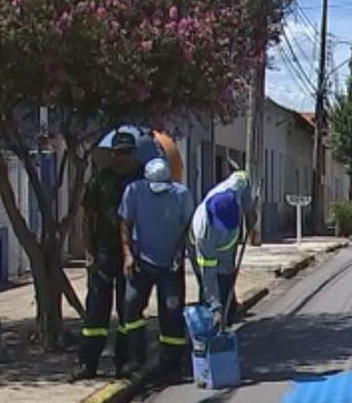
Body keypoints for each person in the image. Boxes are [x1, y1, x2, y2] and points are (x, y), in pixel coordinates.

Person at [119, 156, 196, 379]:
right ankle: (135, 357)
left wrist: (179, 252)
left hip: (170, 265)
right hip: (141, 262)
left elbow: (187, 227)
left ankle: (172, 363)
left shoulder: (181, 195)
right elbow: (125, 223)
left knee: (171, 312)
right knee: (131, 305)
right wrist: (127, 255)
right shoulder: (134, 191)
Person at [74, 131, 142, 380]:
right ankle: (87, 363)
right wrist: (89, 253)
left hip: (131, 255)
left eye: (127, 152)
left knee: (128, 311)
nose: (122, 157)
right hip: (104, 253)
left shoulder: (140, 180)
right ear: (112, 154)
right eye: (119, 152)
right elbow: (87, 218)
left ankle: (124, 363)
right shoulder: (100, 180)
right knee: (96, 310)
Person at [191, 170, 253, 325]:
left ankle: (226, 323)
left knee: (225, 278)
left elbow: (243, 178)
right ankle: (208, 323)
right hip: (201, 246)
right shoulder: (203, 231)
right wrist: (215, 307)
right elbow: (209, 273)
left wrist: (253, 227)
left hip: (226, 246)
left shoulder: (237, 190)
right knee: (207, 283)